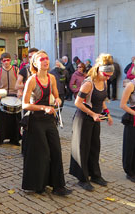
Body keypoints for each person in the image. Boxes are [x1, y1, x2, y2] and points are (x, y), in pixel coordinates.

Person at [21, 50, 72, 196]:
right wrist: (43, 107)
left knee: (56, 150)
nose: (45, 61)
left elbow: (58, 97)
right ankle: (39, 184)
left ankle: (58, 186)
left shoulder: (52, 78)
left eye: (47, 58)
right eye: (42, 59)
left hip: (49, 120)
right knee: (42, 153)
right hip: (35, 120)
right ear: (35, 63)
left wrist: (58, 100)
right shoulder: (32, 80)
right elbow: (24, 105)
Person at [69, 53, 114, 192]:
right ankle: (83, 178)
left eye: (110, 75)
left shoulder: (104, 82)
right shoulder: (89, 83)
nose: (108, 77)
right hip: (84, 118)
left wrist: (107, 114)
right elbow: (78, 102)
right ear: (99, 70)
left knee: (95, 146)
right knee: (84, 147)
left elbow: (102, 101)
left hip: (96, 118)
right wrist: (93, 114)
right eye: (106, 75)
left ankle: (95, 175)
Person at [0, 52, 21, 147]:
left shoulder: (16, 69)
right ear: (1, 61)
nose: (6, 62)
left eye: (8, 60)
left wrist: (19, 92)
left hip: (14, 96)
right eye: (4, 60)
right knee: (0, 120)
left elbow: (19, 82)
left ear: (10, 60)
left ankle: (15, 139)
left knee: (15, 120)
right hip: (2, 96)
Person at [120, 80, 135, 183]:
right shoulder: (130, 85)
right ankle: (129, 171)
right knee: (130, 146)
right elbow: (123, 105)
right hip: (132, 118)